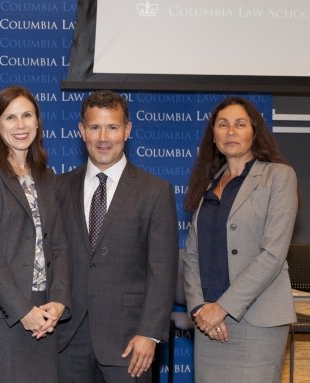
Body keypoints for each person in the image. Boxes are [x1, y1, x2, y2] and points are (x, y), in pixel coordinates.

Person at [55, 90, 178, 383]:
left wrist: (149, 333)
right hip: (68, 341)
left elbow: (162, 271)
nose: (103, 137)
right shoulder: (58, 188)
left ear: (127, 130)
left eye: (112, 127)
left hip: (130, 342)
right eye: (95, 127)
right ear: (81, 131)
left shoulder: (155, 191)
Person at [182, 96, 298, 383]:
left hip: (257, 322)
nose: (230, 131)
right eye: (223, 125)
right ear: (213, 136)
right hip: (208, 324)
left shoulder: (279, 177)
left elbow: (273, 254)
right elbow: (193, 255)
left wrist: (222, 308)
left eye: (239, 124)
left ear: (254, 132)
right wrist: (199, 309)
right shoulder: (207, 186)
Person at [0, 85, 70, 382]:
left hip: (45, 313)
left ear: (37, 122)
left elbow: (58, 244)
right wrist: (23, 310)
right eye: (10, 118)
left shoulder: (45, 176)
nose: (20, 125)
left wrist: (58, 300)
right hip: (0, 315)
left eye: (27, 116)